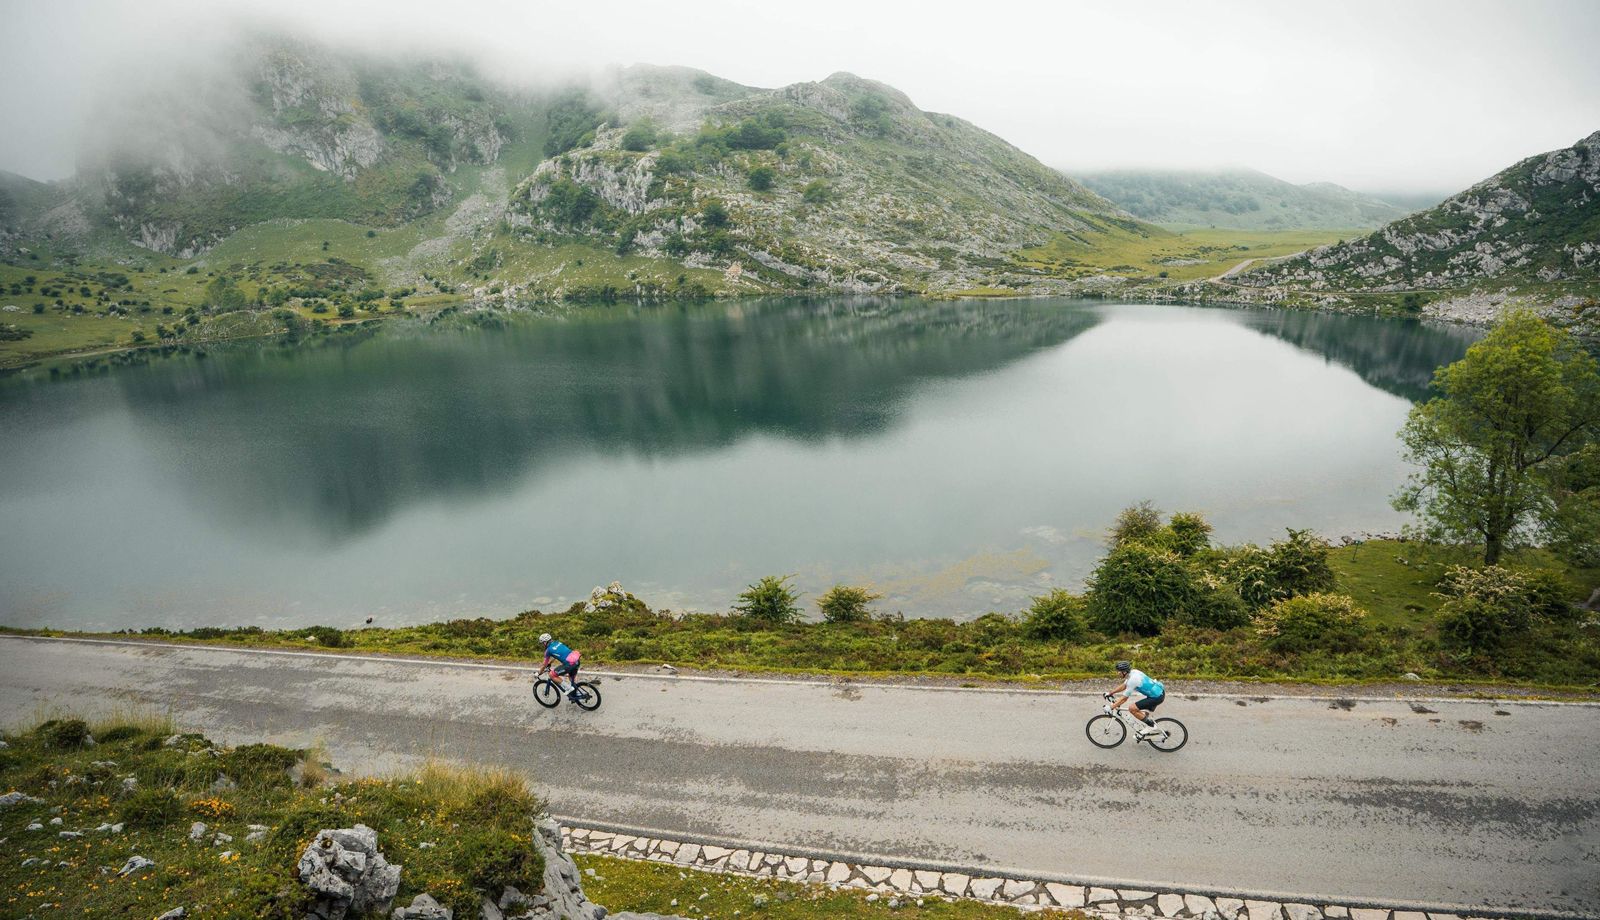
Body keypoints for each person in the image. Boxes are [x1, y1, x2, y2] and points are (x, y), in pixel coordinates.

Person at [1108, 660, 1166, 739]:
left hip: (1156, 697)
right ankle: (1148, 731)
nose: (1117, 673)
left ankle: (1151, 726)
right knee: (1143, 715)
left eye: (1119, 671)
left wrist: (1111, 707)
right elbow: (1124, 685)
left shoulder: (1133, 679)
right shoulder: (1133, 672)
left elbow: (1124, 699)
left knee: (1132, 708)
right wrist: (1111, 693)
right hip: (1158, 692)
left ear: (1124, 672)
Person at [539, 633, 583, 701]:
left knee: (552, 675)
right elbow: (555, 656)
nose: (542, 645)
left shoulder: (548, 650)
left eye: (542, 643)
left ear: (545, 642)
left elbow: (544, 664)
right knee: (571, 678)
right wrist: (550, 663)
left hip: (569, 664)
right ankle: (578, 694)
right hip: (576, 660)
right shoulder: (557, 642)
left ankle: (569, 688)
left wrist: (540, 672)